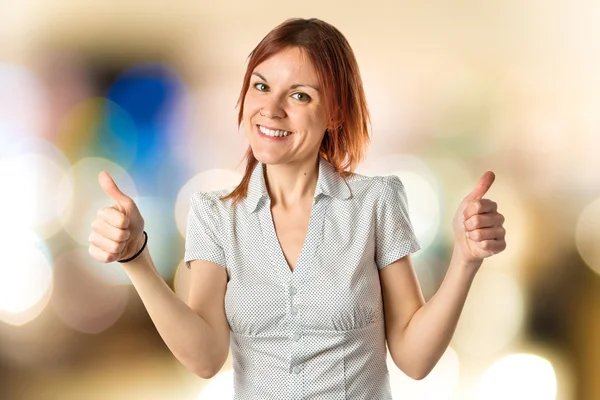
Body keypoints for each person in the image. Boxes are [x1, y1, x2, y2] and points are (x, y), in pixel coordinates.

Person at [89, 18, 506, 399]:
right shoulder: (214, 214)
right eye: (261, 86)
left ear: (336, 112)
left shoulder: (375, 202)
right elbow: (205, 358)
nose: (271, 109)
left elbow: (414, 360)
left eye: (300, 95)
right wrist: (135, 259)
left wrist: (465, 260)